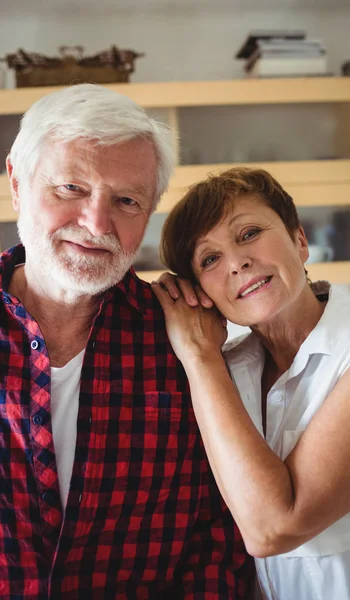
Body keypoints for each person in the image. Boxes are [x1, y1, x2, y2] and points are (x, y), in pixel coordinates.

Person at [0, 84, 253, 599]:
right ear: (17, 183)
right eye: (70, 188)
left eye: (126, 200)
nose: (96, 224)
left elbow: (216, 537)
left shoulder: (185, 342)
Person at [152, 166, 350, 600]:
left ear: (300, 241)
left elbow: (273, 528)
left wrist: (198, 353)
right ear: (201, 293)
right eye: (209, 259)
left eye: (248, 233)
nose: (237, 262)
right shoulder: (223, 374)